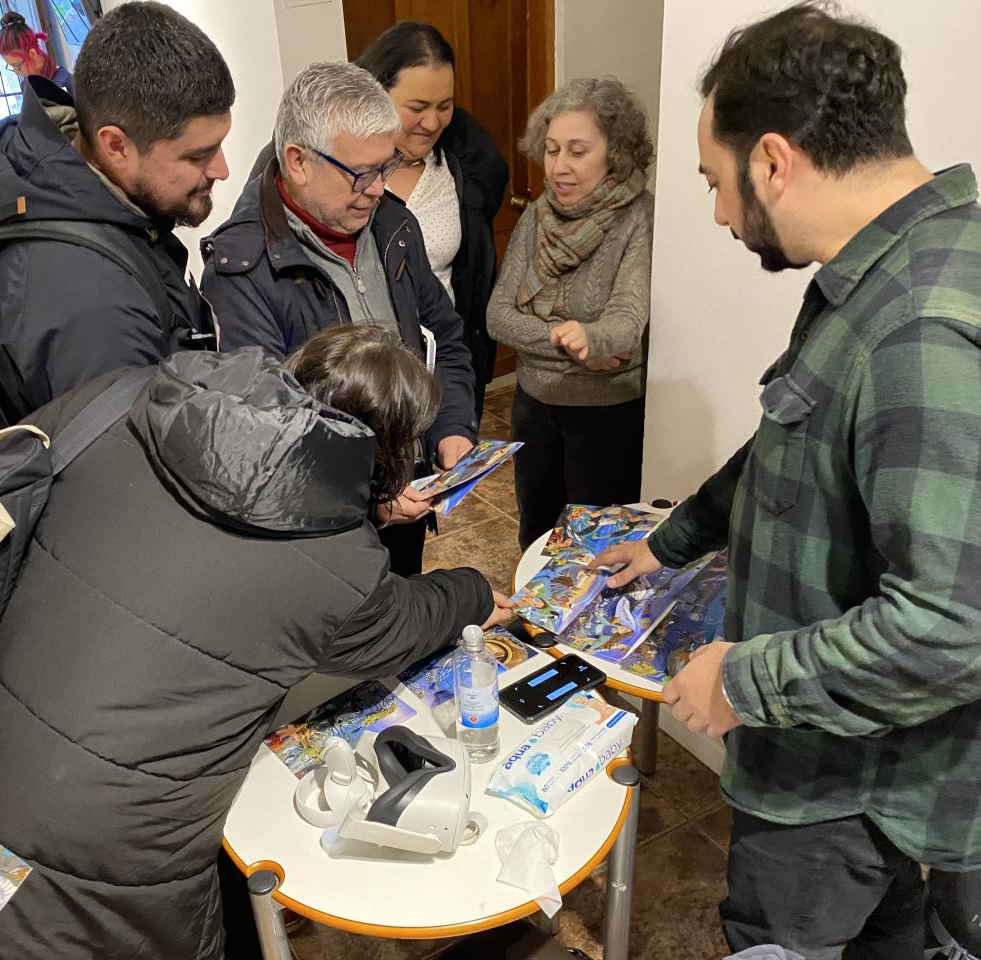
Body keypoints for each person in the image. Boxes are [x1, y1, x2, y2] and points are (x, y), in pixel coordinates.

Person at [595, 5, 981, 955]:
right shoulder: (884, 269)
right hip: (855, 766)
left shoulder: (917, 331)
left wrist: (747, 677)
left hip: (849, 786)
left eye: (715, 185)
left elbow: (953, 625)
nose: (720, 216)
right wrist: (672, 538)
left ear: (772, 159)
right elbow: (791, 442)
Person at [0, 326, 512, 959]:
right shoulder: (338, 565)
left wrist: (364, 510)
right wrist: (475, 591)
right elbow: (394, 623)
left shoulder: (130, 399)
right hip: (112, 842)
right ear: (394, 448)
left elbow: (256, 498)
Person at [201, 61, 478, 577]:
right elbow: (268, 432)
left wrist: (451, 427)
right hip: (321, 540)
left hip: (406, 501)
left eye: (386, 165)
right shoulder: (242, 270)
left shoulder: (394, 226)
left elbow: (444, 339)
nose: (378, 188)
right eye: (361, 173)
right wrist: (368, 498)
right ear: (299, 161)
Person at [0, 0, 233, 423]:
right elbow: (124, 479)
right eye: (199, 154)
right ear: (115, 145)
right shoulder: (93, 308)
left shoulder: (103, 203)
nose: (221, 170)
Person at [487, 77, 654, 549]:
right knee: (537, 536)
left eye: (577, 151)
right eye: (553, 149)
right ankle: (535, 623)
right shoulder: (538, 214)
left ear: (616, 153)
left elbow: (626, 320)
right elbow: (498, 315)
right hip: (533, 407)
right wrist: (574, 342)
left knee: (596, 549)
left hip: (607, 415)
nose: (558, 166)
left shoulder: (638, 218)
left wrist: (596, 339)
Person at [354, 21, 509, 419]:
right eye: (417, 108)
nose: (433, 122)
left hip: (443, 374)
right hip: (362, 383)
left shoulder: (463, 169)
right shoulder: (339, 172)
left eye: (445, 106)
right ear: (376, 95)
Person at [0, 11, 75, 97]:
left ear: (32, 54)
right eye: (11, 66)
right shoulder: (27, 86)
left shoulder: (65, 81)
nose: (16, 72)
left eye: (17, 65)